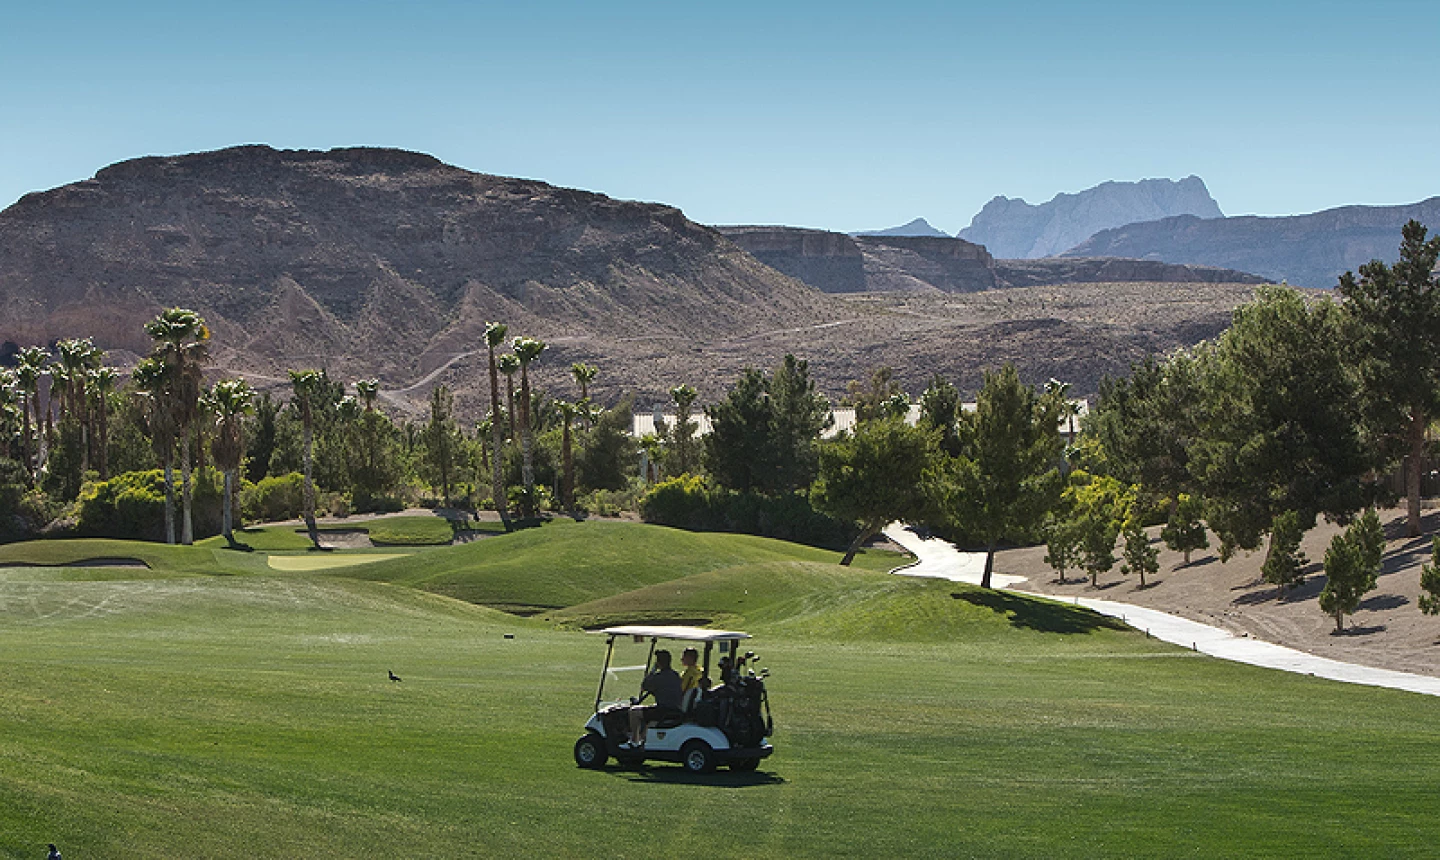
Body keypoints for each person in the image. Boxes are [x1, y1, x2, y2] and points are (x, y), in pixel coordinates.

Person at [621, 649, 682, 750]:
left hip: (664, 710)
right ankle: (642, 740)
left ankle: (634, 741)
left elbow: (644, 686)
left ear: (658, 663)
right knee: (649, 715)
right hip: (674, 709)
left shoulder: (658, 677)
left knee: (634, 712)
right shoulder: (675, 675)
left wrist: (653, 670)